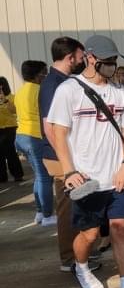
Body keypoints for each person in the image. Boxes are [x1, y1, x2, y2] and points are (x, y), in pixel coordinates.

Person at [48, 35, 124, 288]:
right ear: (90, 58)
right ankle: (81, 267)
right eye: (107, 61)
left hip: (119, 176)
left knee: (121, 229)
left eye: (114, 61)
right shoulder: (69, 90)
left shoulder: (121, 92)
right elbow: (59, 132)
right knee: (89, 235)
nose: (111, 66)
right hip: (87, 179)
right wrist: (69, 171)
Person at [39, 37, 102, 273]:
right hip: (60, 159)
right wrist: (69, 165)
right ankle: (69, 258)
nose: (82, 59)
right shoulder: (54, 84)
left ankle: (79, 254)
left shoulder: (63, 81)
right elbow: (50, 127)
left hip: (67, 157)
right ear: (70, 57)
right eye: (80, 55)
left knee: (77, 205)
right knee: (67, 209)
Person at [14, 60, 55, 225]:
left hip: (21, 137)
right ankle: (47, 215)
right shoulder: (41, 90)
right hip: (35, 137)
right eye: (44, 73)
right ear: (38, 75)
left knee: (39, 176)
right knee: (45, 177)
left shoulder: (20, 91)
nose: (46, 76)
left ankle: (40, 212)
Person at [0, 76, 24, 183]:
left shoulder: (12, 97)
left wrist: (5, 100)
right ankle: (2, 177)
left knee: (10, 152)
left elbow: (14, 111)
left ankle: (17, 175)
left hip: (10, 127)